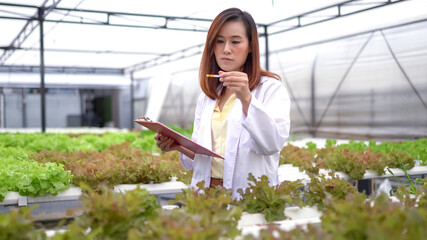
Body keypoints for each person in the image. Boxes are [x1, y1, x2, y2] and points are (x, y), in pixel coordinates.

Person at [155, 7, 290, 198]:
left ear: (250, 46)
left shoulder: (269, 89)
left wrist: (246, 98)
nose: (226, 49)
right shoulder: (209, 95)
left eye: (235, 41)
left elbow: (271, 144)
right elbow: (202, 157)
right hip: (207, 193)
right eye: (219, 41)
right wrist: (178, 145)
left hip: (247, 195)